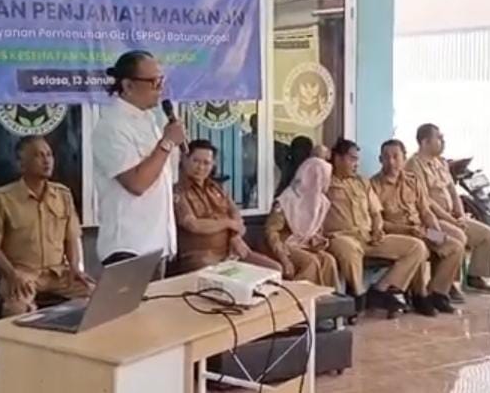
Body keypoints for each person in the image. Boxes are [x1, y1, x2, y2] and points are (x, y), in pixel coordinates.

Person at [92, 50, 186, 279]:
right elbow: (137, 183)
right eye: (153, 82)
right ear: (128, 85)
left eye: (161, 80)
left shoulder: (149, 119)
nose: (160, 88)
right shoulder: (112, 126)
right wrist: (166, 143)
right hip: (129, 248)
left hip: (156, 244)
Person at [0, 137, 93, 317]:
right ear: (21, 164)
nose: (46, 160)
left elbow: (71, 237)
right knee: (16, 310)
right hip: (22, 273)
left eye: (49, 155)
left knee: (98, 296)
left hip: (58, 273)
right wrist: (11, 274)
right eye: (38, 155)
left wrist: (74, 267)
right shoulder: (2, 198)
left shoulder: (63, 195)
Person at [324, 139, 436, 316]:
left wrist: (377, 229)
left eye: (396, 156)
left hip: (377, 236)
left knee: (438, 245)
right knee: (350, 248)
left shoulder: (367, 182)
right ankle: (363, 296)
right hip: (347, 236)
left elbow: (378, 213)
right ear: (337, 159)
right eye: (352, 159)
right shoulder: (327, 182)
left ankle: (386, 291)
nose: (356, 164)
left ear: (404, 158)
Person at [371, 139, 466, 314]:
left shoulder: (412, 180)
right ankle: (419, 296)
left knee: (455, 246)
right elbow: (379, 222)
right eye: (386, 157)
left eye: (395, 156)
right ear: (380, 160)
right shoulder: (374, 186)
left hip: (422, 230)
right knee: (419, 247)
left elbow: (425, 211)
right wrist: (406, 230)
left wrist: (435, 231)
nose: (391, 161)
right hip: (400, 233)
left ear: (403, 158)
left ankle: (437, 294)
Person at [406, 124, 490, 297]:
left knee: (487, 235)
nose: (443, 141)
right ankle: (446, 283)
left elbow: (453, 193)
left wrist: (460, 215)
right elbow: (426, 202)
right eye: (439, 138)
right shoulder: (413, 165)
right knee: (457, 237)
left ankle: (474, 277)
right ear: (425, 142)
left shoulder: (441, 163)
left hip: (451, 217)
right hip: (431, 222)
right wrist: (451, 220)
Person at [174, 139, 282, 274]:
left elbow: (237, 217)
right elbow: (193, 225)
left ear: (213, 164)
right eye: (196, 161)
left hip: (232, 251)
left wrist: (234, 237)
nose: (201, 167)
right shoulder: (178, 190)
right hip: (200, 257)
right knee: (227, 277)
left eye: (206, 163)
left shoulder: (217, 188)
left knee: (274, 270)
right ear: (185, 159)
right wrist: (227, 223)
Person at [265, 157, 339, 287]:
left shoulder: (321, 202)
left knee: (329, 260)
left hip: (304, 245)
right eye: (324, 177)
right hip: (284, 245)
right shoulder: (287, 200)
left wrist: (317, 240)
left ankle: (329, 297)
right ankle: (300, 296)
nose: (327, 182)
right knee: (310, 263)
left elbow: (313, 231)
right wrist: (283, 258)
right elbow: (271, 231)